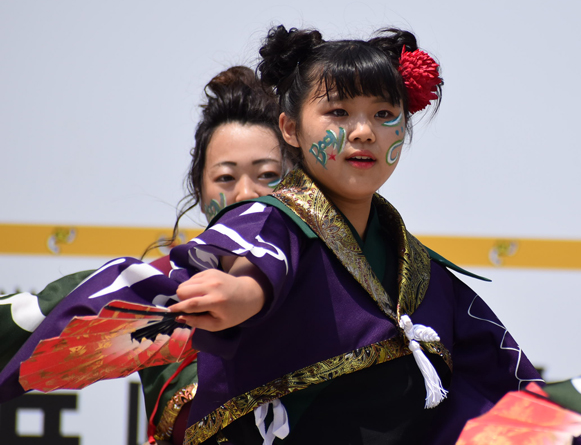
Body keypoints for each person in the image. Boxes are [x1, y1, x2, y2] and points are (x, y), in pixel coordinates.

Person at [0, 25, 544, 445]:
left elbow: (501, 380)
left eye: (384, 113)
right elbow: (262, 254)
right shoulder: (273, 223)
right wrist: (243, 291)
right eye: (338, 111)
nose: (363, 131)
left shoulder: (420, 272)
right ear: (291, 130)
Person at [0, 65, 289, 445]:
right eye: (225, 178)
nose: (246, 194)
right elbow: (32, 320)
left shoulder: (331, 290)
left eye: (268, 175)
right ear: (200, 193)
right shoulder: (155, 290)